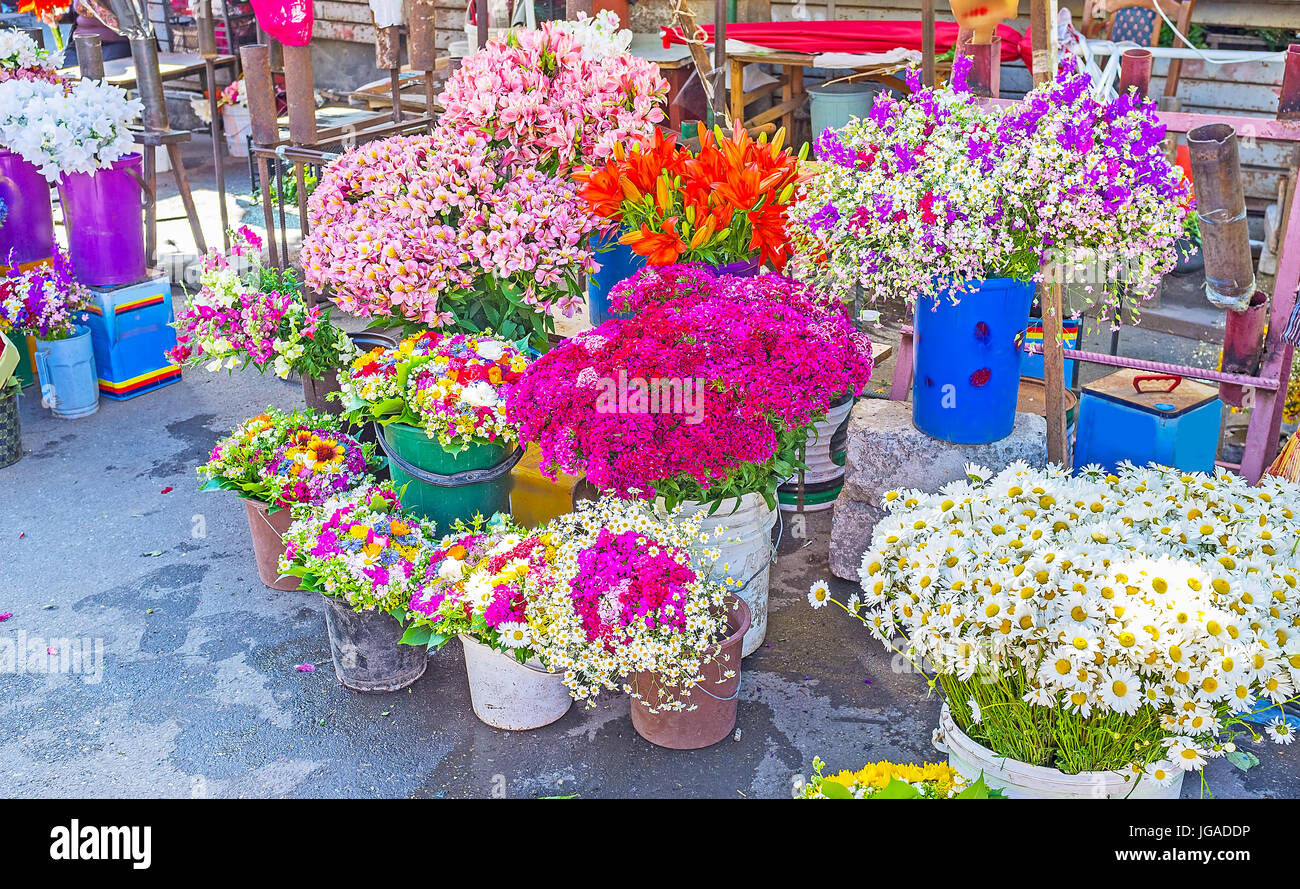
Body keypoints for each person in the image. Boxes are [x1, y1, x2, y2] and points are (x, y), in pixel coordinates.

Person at [60, 0, 131, 66]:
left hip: (115, 43)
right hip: (80, 43)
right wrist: (59, 15)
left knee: (107, 73)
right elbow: (73, 11)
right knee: (65, 73)